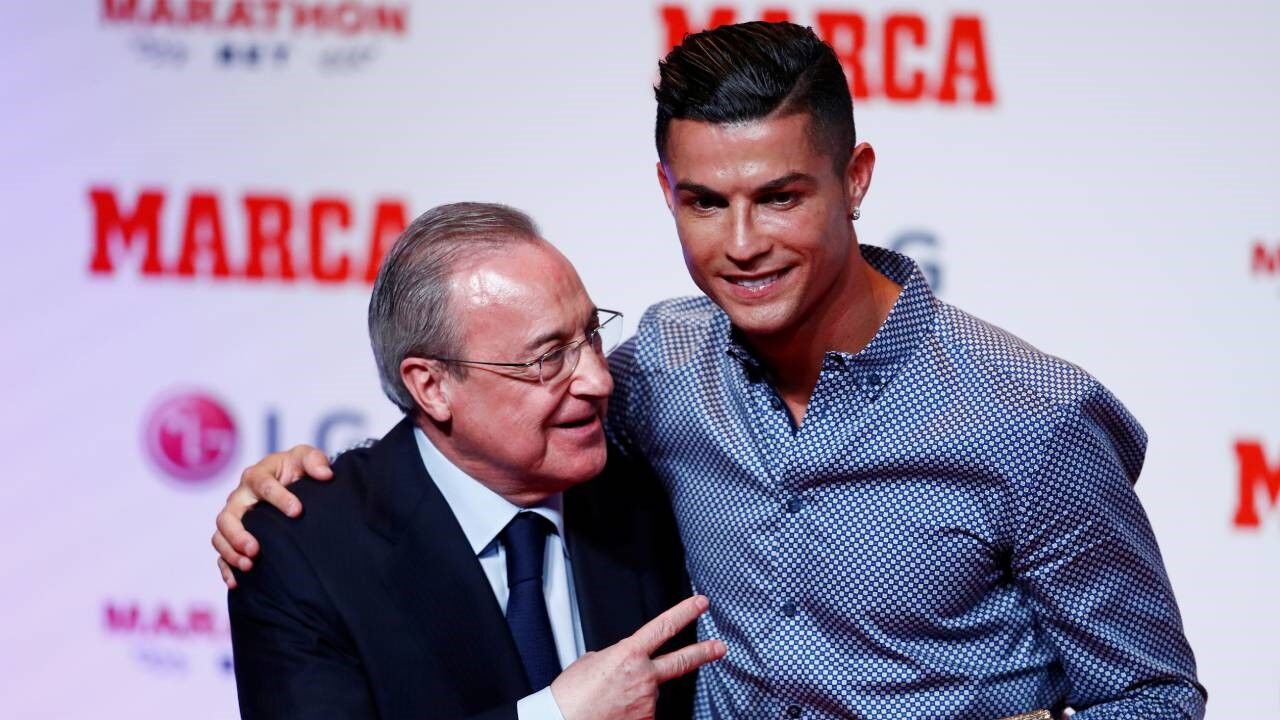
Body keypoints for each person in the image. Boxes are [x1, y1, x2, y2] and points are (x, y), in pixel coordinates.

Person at [214, 22, 1205, 719]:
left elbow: (1152, 697)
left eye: (779, 197)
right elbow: (495, 418)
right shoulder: (661, 369)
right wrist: (308, 485)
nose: (740, 245)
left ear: (855, 179)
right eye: (703, 203)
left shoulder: (1030, 419)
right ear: (666, 191)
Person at [225, 201, 725, 720]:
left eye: (592, 334)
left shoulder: (651, 485)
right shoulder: (302, 551)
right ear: (432, 386)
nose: (598, 379)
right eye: (548, 358)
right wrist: (555, 715)